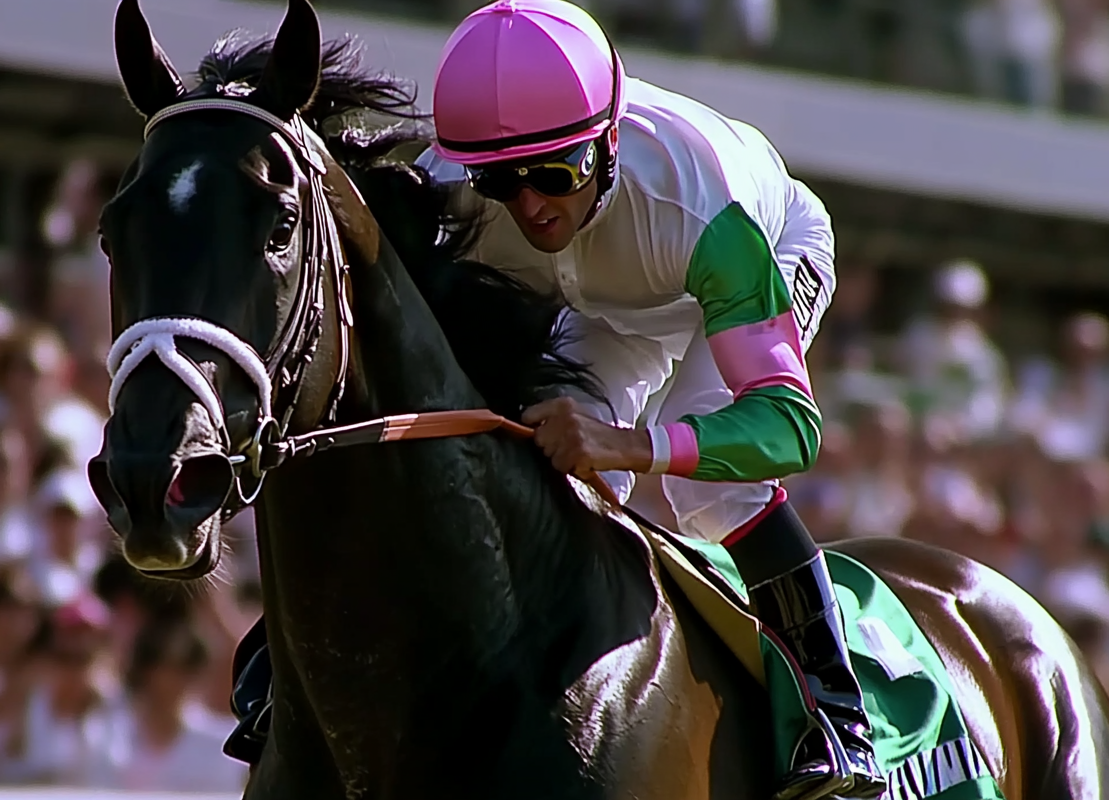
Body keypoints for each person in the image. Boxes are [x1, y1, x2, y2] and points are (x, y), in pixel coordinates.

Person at [224, 2, 885, 799]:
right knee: (522, 450)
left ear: (606, 141)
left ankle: (838, 716)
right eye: (500, 179)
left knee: (711, 487)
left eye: (554, 174)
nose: (531, 206)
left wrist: (633, 446)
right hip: (606, 299)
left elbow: (788, 426)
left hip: (746, 256)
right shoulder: (451, 190)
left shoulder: (708, 212)